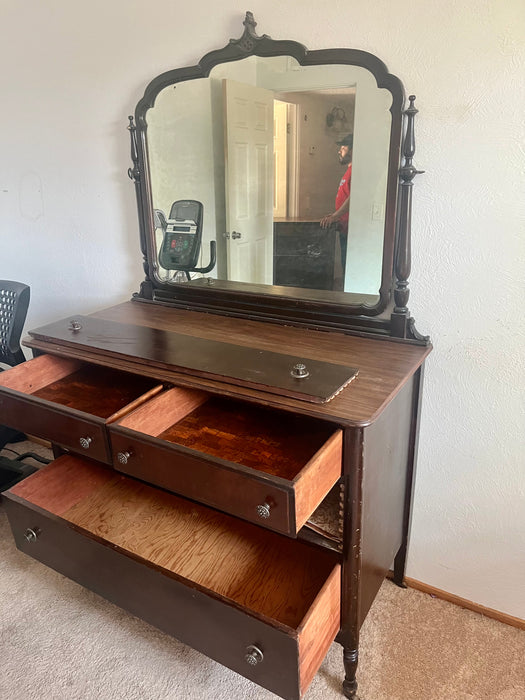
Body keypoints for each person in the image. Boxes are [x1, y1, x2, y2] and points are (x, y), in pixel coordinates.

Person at [320, 134, 353, 273]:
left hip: (351, 230)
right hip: (344, 227)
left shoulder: (357, 171)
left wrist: (335, 216)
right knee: (344, 266)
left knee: (348, 268)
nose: (339, 151)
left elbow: (353, 199)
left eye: (343, 147)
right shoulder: (349, 170)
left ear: (352, 150)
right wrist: (335, 215)